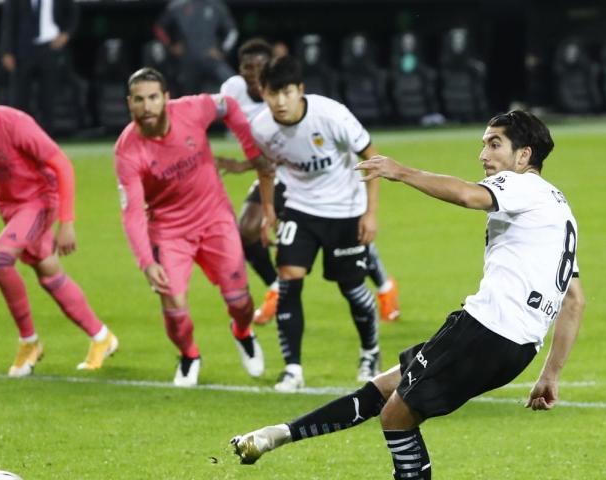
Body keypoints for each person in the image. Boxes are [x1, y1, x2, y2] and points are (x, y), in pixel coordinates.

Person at [231, 110, 585, 480]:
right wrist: (549, 374)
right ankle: (276, 435)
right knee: (384, 390)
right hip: (516, 345)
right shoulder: (559, 208)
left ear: (524, 154)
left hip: (487, 328)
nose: (483, 154)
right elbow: (574, 300)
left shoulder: (521, 185)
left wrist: (400, 171)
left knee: (396, 416)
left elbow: (466, 196)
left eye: (494, 144)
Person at [0, 70, 117, 377]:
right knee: (48, 273)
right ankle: (102, 336)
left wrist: (67, 222)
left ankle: (29, 342)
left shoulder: (14, 124)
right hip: (9, 207)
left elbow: (62, 164)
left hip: (40, 199)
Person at [216, 39, 401, 326]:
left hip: (320, 176)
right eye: (246, 67)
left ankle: (384, 287)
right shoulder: (232, 92)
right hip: (284, 174)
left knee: (350, 234)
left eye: (259, 67)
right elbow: (265, 156)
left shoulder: (303, 104)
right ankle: (277, 289)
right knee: (248, 230)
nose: (253, 73)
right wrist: (242, 167)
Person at [114, 67, 273, 387]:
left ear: (166, 98)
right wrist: (146, 263)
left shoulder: (192, 109)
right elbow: (132, 214)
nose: (147, 107)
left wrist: (252, 152)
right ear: (130, 103)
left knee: (240, 302)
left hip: (215, 220)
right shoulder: (127, 151)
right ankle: (189, 356)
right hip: (169, 231)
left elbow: (228, 104)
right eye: (139, 100)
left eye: (153, 98)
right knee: (172, 304)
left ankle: (242, 332)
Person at [246, 55, 384, 391]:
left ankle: (370, 351)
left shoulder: (332, 115)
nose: (280, 101)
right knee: (289, 279)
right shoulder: (261, 127)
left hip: (345, 209)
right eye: (272, 92)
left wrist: (370, 213)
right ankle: (293, 368)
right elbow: (265, 168)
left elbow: (373, 159)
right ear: (262, 92)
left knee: (352, 289)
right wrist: (268, 209)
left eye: (287, 92)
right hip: (301, 208)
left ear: (300, 90)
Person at [0, 0, 80, 131]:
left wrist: (66, 34)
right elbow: (8, 23)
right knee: (19, 99)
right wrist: (6, 51)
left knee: (48, 99)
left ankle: (46, 140)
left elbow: (73, 12)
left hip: (50, 48)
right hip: (22, 50)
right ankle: (19, 137)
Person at [153, 0, 237, 95]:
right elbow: (159, 28)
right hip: (186, 60)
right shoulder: (177, 5)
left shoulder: (216, 5)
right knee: (186, 95)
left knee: (234, 83)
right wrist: (170, 46)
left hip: (211, 59)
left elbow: (232, 31)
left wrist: (222, 50)